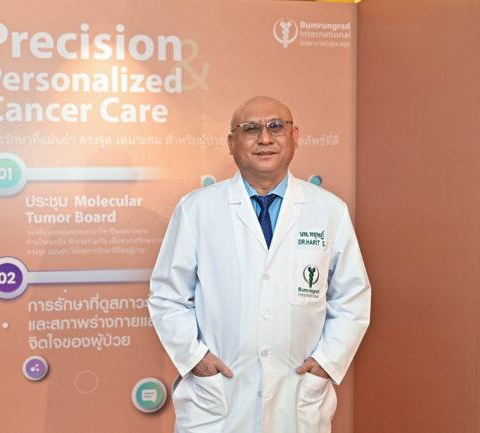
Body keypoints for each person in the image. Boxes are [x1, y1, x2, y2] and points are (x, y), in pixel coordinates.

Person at [148, 96, 370, 433]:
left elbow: (352, 296)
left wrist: (327, 361)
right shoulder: (197, 209)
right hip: (220, 398)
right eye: (250, 129)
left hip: (297, 395)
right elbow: (167, 295)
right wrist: (194, 358)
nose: (265, 138)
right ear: (231, 143)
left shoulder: (328, 210)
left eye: (276, 127)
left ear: (295, 136)